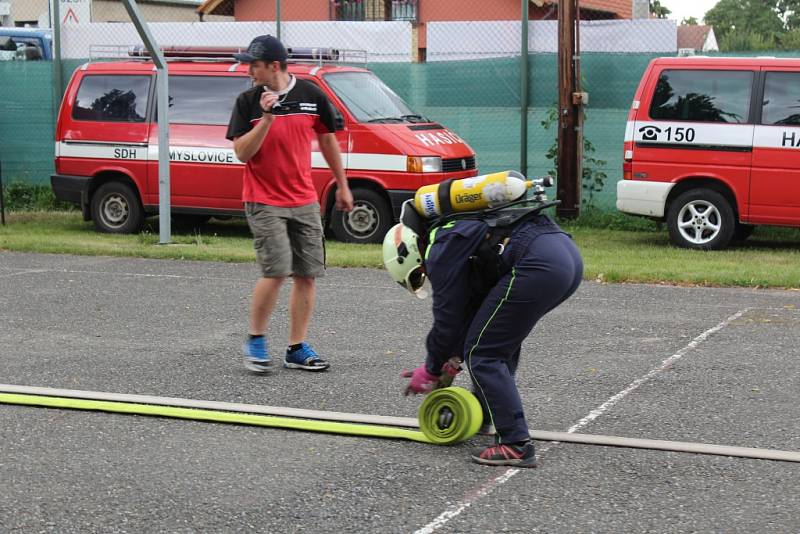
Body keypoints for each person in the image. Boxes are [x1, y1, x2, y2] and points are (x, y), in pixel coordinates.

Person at [384, 199, 583, 467]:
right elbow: (473, 307)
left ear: (410, 253)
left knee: (483, 353)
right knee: (497, 341)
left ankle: (515, 444)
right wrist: (451, 358)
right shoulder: (458, 231)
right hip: (565, 255)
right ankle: (484, 412)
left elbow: (447, 317)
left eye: (419, 274)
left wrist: (431, 369)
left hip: (538, 262)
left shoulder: (441, 248)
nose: (426, 276)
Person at [226, 35, 353, 374]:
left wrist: (342, 185)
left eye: (254, 64)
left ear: (275, 66)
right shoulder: (248, 102)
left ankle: (296, 348)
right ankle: (255, 340)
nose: (249, 70)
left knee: (307, 274)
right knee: (277, 270)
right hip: (263, 199)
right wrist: (267, 118)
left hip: (304, 200)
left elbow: (327, 140)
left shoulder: (311, 95)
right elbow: (242, 153)